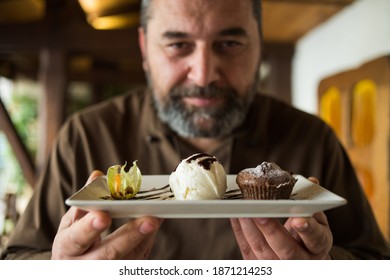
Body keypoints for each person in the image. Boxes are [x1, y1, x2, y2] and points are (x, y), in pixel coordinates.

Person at [1, 0, 389, 260]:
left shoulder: (313, 140)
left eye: (230, 42)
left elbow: (376, 263)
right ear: (144, 48)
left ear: (258, 45)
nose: (204, 74)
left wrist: (331, 266)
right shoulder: (84, 137)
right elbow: (15, 261)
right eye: (178, 45)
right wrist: (54, 269)